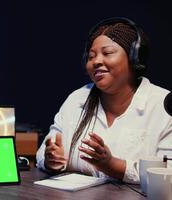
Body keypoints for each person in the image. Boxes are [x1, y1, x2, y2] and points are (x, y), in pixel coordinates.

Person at [36, 17, 172, 184]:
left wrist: (111, 165)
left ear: (134, 58)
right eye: (91, 56)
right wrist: (51, 160)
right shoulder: (76, 99)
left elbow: (168, 173)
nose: (96, 61)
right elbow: (44, 152)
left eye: (107, 53)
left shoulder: (163, 105)